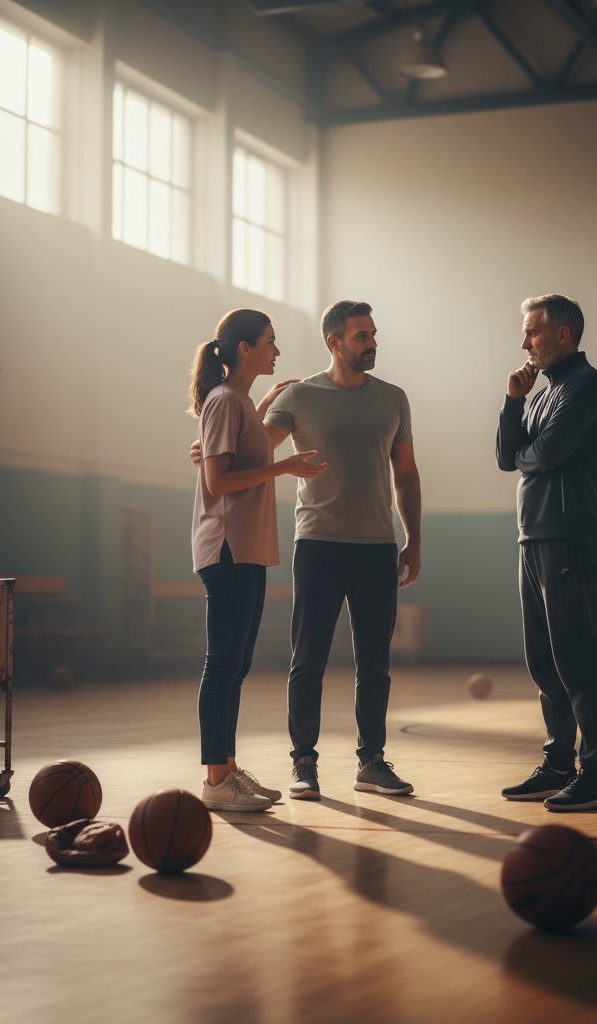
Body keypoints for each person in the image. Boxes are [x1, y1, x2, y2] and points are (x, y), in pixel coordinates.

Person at [265, 300, 422, 801]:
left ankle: (371, 762)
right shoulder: (299, 397)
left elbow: (407, 474)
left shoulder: (393, 399)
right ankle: (303, 763)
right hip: (318, 546)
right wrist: (216, 436)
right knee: (307, 660)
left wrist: (413, 538)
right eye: (361, 336)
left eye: (373, 333)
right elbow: (253, 451)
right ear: (334, 342)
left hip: (377, 547)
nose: (372, 342)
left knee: (375, 664)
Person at [189, 309, 327, 812]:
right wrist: (286, 467)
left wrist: (264, 406)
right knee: (222, 664)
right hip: (226, 546)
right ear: (244, 348)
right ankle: (215, 778)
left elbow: (240, 456)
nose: (277, 350)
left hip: (246, 548)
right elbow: (217, 482)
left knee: (236, 665)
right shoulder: (226, 401)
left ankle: (225, 769)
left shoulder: (239, 402)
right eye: (270, 341)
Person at [495, 294, 597, 811]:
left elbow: (544, 453)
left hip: (570, 532)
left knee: (575, 655)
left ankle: (596, 776)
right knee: (543, 660)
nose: (524, 343)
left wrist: (530, 452)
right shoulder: (543, 392)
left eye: (533, 332)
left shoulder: (588, 387)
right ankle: (558, 763)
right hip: (534, 534)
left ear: (562, 334)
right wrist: (514, 401)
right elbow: (510, 458)